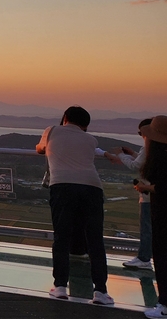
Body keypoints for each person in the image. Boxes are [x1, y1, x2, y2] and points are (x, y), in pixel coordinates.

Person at [36, 105, 114, 305]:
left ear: (65, 117)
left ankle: (60, 287)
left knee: (62, 236)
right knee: (95, 239)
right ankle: (101, 292)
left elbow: (40, 149)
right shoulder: (91, 139)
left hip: (62, 185)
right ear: (85, 124)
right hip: (92, 187)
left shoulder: (51, 130)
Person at [136, 115, 167, 319]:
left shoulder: (163, 158)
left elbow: (166, 187)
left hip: (166, 213)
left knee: (165, 257)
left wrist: (145, 187)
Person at [104, 118, 153, 270]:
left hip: (148, 194)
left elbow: (134, 165)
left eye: (141, 133)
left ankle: (143, 258)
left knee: (146, 228)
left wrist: (120, 154)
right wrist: (133, 153)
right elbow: (143, 162)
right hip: (161, 193)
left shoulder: (149, 147)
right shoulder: (164, 148)